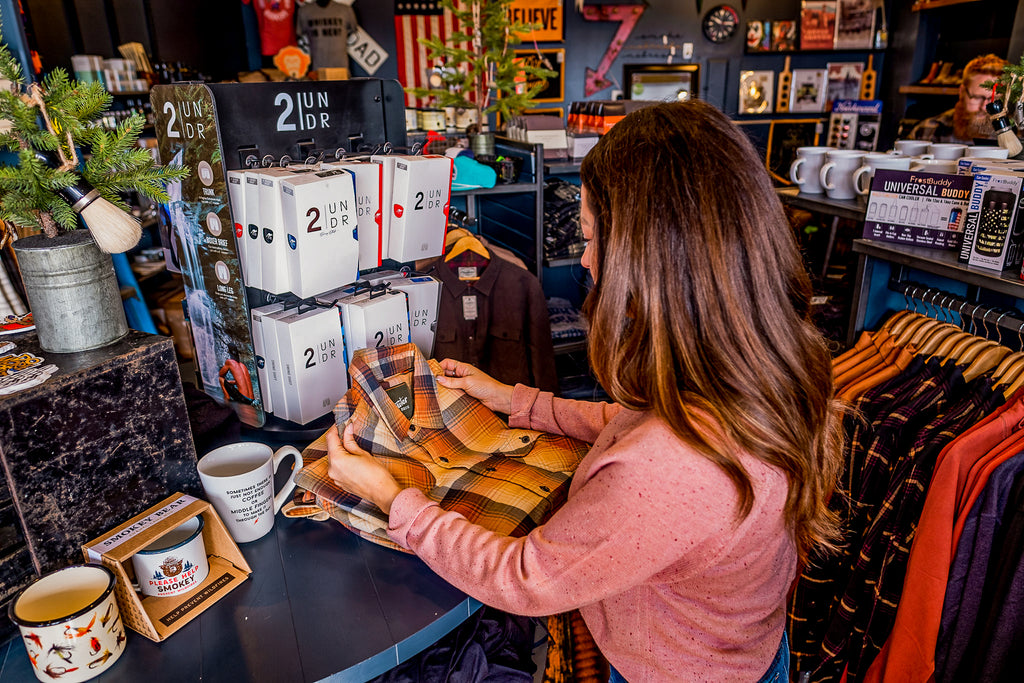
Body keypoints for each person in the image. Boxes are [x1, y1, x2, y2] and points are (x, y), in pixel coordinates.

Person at [325, 100, 844, 682]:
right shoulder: (764, 373)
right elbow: (631, 426)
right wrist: (516, 400)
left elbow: (524, 577)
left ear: (653, 265)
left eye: (595, 239)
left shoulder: (672, 465)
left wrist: (392, 496)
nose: (587, 260)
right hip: (740, 651)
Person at [909, 53, 1009, 144]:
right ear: (962, 92)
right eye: (977, 97)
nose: (984, 107)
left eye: (994, 100)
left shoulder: (1016, 136)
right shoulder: (926, 131)